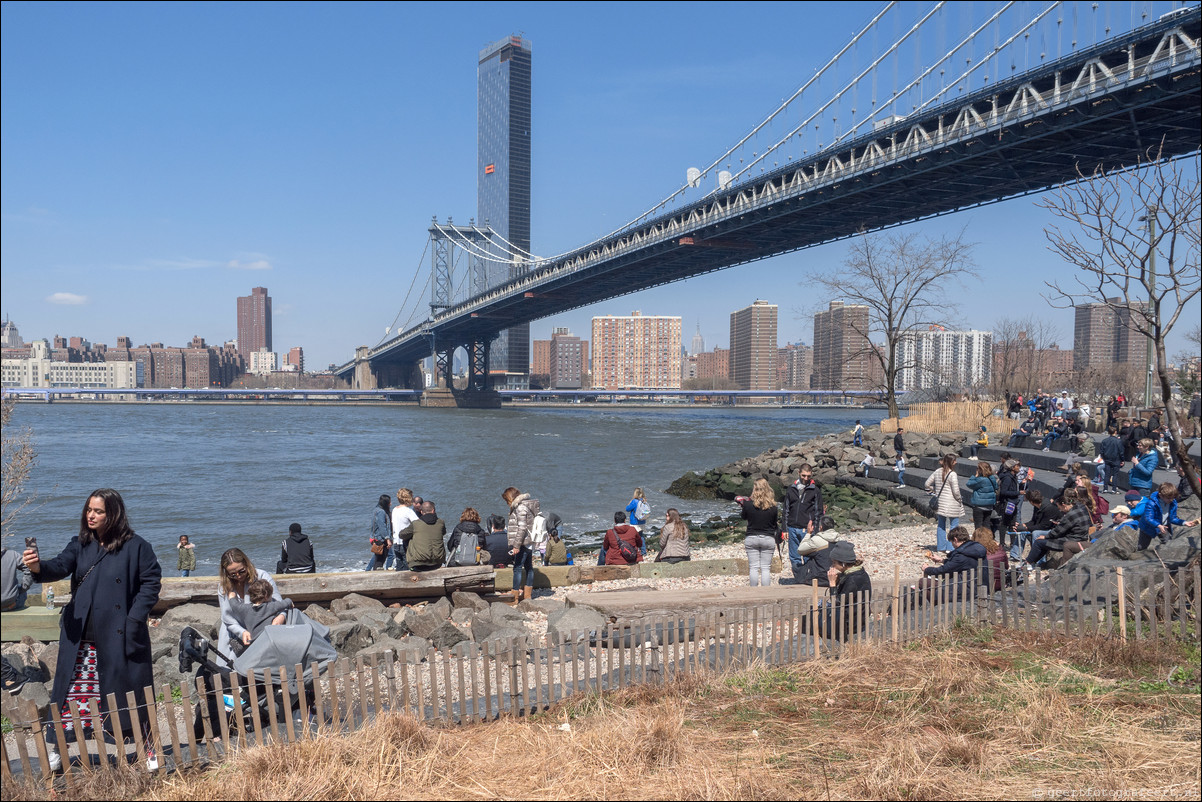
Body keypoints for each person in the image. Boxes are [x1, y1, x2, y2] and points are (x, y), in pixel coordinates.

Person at [23, 489, 162, 770]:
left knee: (131, 695)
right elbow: (59, 566)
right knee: (70, 696)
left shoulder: (137, 546)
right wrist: (38, 566)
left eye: (98, 511)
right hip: (81, 641)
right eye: (89, 510)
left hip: (119, 637)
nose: (91, 515)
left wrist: (134, 619)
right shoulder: (80, 544)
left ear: (114, 514)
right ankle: (59, 750)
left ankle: (148, 749)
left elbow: (151, 583)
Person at [800, 540, 871, 641]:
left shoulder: (851, 580)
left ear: (843, 563)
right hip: (859, 618)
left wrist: (832, 584)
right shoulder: (859, 572)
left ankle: (815, 644)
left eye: (834, 563)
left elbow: (836, 604)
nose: (832, 566)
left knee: (808, 618)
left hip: (849, 623)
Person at [217, 547, 281, 660]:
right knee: (228, 668)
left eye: (241, 571)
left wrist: (280, 618)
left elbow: (280, 604)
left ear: (246, 563)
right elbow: (226, 617)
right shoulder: (223, 587)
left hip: (261, 627)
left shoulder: (262, 576)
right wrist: (241, 632)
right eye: (233, 574)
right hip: (233, 631)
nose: (238, 576)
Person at [1025, 488, 1092, 569]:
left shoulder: (1070, 515)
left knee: (1039, 542)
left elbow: (1058, 531)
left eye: (1060, 508)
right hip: (1080, 537)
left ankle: (1028, 563)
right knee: (1044, 543)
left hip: (1072, 540)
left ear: (1064, 505)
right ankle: (1032, 563)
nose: (1060, 510)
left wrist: (1046, 536)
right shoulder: (1079, 508)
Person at [920, 526, 987, 602]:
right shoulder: (974, 549)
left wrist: (927, 569)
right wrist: (942, 560)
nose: (952, 545)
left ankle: (935, 605)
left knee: (922, 582)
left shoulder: (961, 555)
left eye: (951, 542)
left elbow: (943, 571)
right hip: (980, 586)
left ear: (955, 539)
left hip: (965, 590)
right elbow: (961, 564)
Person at [226, 579, 293, 651]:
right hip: (267, 640)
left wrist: (231, 597)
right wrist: (290, 601)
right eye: (271, 595)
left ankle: (240, 647)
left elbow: (234, 605)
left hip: (253, 642)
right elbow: (285, 603)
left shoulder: (244, 609)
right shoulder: (271, 606)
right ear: (266, 596)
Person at [782, 465, 823, 579]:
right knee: (794, 557)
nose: (806, 478)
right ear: (798, 473)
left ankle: (807, 577)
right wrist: (784, 529)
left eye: (808, 476)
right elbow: (785, 510)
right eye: (804, 475)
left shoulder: (815, 490)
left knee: (808, 555)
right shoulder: (791, 489)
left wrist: (815, 529)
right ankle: (798, 578)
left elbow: (818, 512)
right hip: (791, 527)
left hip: (807, 529)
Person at [739, 478, 779, 587]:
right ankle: (765, 592)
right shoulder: (773, 507)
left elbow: (743, 517)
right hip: (768, 538)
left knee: (754, 567)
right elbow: (774, 523)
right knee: (766, 568)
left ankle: (754, 592)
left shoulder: (747, 504)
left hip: (752, 537)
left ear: (754, 489)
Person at [503, 486, 541, 604]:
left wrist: (516, 546)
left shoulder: (520, 508)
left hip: (523, 542)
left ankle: (514, 596)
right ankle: (527, 595)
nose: (507, 503)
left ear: (510, 498)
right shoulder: (528, 505)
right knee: (529, 567)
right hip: (530, 541)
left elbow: (522, 528)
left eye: (506, 501)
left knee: (517, 568)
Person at [1136, 483, 1199, 551]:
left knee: (1168, 543)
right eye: (1168, 498)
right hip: (1148, 527)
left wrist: (1184, 523)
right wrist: (1158, 525)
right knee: (1142, 546)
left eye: (1173, 498)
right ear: (1161, 495)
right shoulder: (1151, 503)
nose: (1171, 500)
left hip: (1164, 526)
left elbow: (1173, 518)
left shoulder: (1173, 503)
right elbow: (1148, 518)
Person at [924, 454, 963, 553]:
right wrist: (959, 499)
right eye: (954, 461)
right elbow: (956, 491)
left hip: (941, 502)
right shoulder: (952, 474)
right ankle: (950, 547)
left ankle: (941, 547)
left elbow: (927, 484)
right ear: (951, 462)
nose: (956, 462)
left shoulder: (937, 471)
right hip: (952, 502)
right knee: (954, 525)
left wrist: (935, 490)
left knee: (941, 524)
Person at [397, 500, 447, 572]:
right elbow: (443, 532)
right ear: (433, 511)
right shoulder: (441, 522)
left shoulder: (416, 524)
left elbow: (401, 535)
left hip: (419, 563)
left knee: (408, 537)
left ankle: (406, 564)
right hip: (437, 562)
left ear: (421, 512)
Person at [793, 515, 837, 588]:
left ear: (821, 527)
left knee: (795, 566)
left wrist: (808, 533)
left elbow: (800, 550)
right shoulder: (839, 539)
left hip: (820, 578)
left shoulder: (817, 540)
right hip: (835, 577)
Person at [965, 460, 999, 534]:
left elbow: (969, 484)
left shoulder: (980, 480)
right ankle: (987, 541)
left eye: (978, 468)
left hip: (979, 506)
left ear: (981, 469)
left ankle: (979, 542)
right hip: (989, 506)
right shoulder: (992, 478)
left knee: (978, 526)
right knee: (987, 525)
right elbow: (996, 487)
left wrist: (974, 476)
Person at [390, 488, 420, 572]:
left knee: (399, 566)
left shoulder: (394, 510)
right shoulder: (408, 511)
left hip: (396, 542)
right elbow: (418, 524)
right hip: (405, 542)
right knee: (409, 567)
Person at [1, 542, 34, 612]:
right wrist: (23, 588)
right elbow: (30, 569)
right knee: (22, 591)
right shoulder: (12, 555)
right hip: (10, 605)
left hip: (8, 603)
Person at [367, 494, 392, 571]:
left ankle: (369, 570)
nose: (390, 504)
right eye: (389, 502)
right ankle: (374, 574)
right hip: (380, 539)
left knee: (377, 559)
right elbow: (382, 527)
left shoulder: (376, 509)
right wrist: (387, 539)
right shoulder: (381, 512)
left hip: (376, 538)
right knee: (379, 562)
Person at [1098, 426, 1124, 494]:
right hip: (1116, 459)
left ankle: (1105, 488)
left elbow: (1101, 451)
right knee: (1115, 474)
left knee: (1107, 474)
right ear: (1115, 432)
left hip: (1107, 459)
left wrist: (1104, 458)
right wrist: (1122, 460)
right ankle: (1114, 489)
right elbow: (1121, 451)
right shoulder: (1118, 441)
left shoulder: (1105, 441)